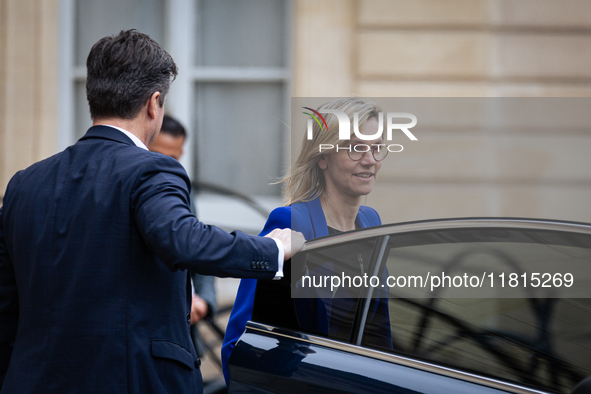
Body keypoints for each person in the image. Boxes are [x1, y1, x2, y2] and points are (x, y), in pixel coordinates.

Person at [0, 29, 303, 394]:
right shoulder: (153, 169)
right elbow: (183, 240)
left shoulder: (23, 184)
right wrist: (272, 249)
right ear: (153, 103)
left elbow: (6, 308)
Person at [221, 98, 392, 385]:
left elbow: (379, 332)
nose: (370, 159)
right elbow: (241, 334)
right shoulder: (289, 221)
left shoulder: (371, 222)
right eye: (355, 147)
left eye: (376, 147)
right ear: (322, 157)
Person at [149, 114, 216, 359]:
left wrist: (205, 301)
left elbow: (197, 250)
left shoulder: (181, 190)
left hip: (184, 341)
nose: (165, 167)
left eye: (173, 159)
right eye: (157, 156)